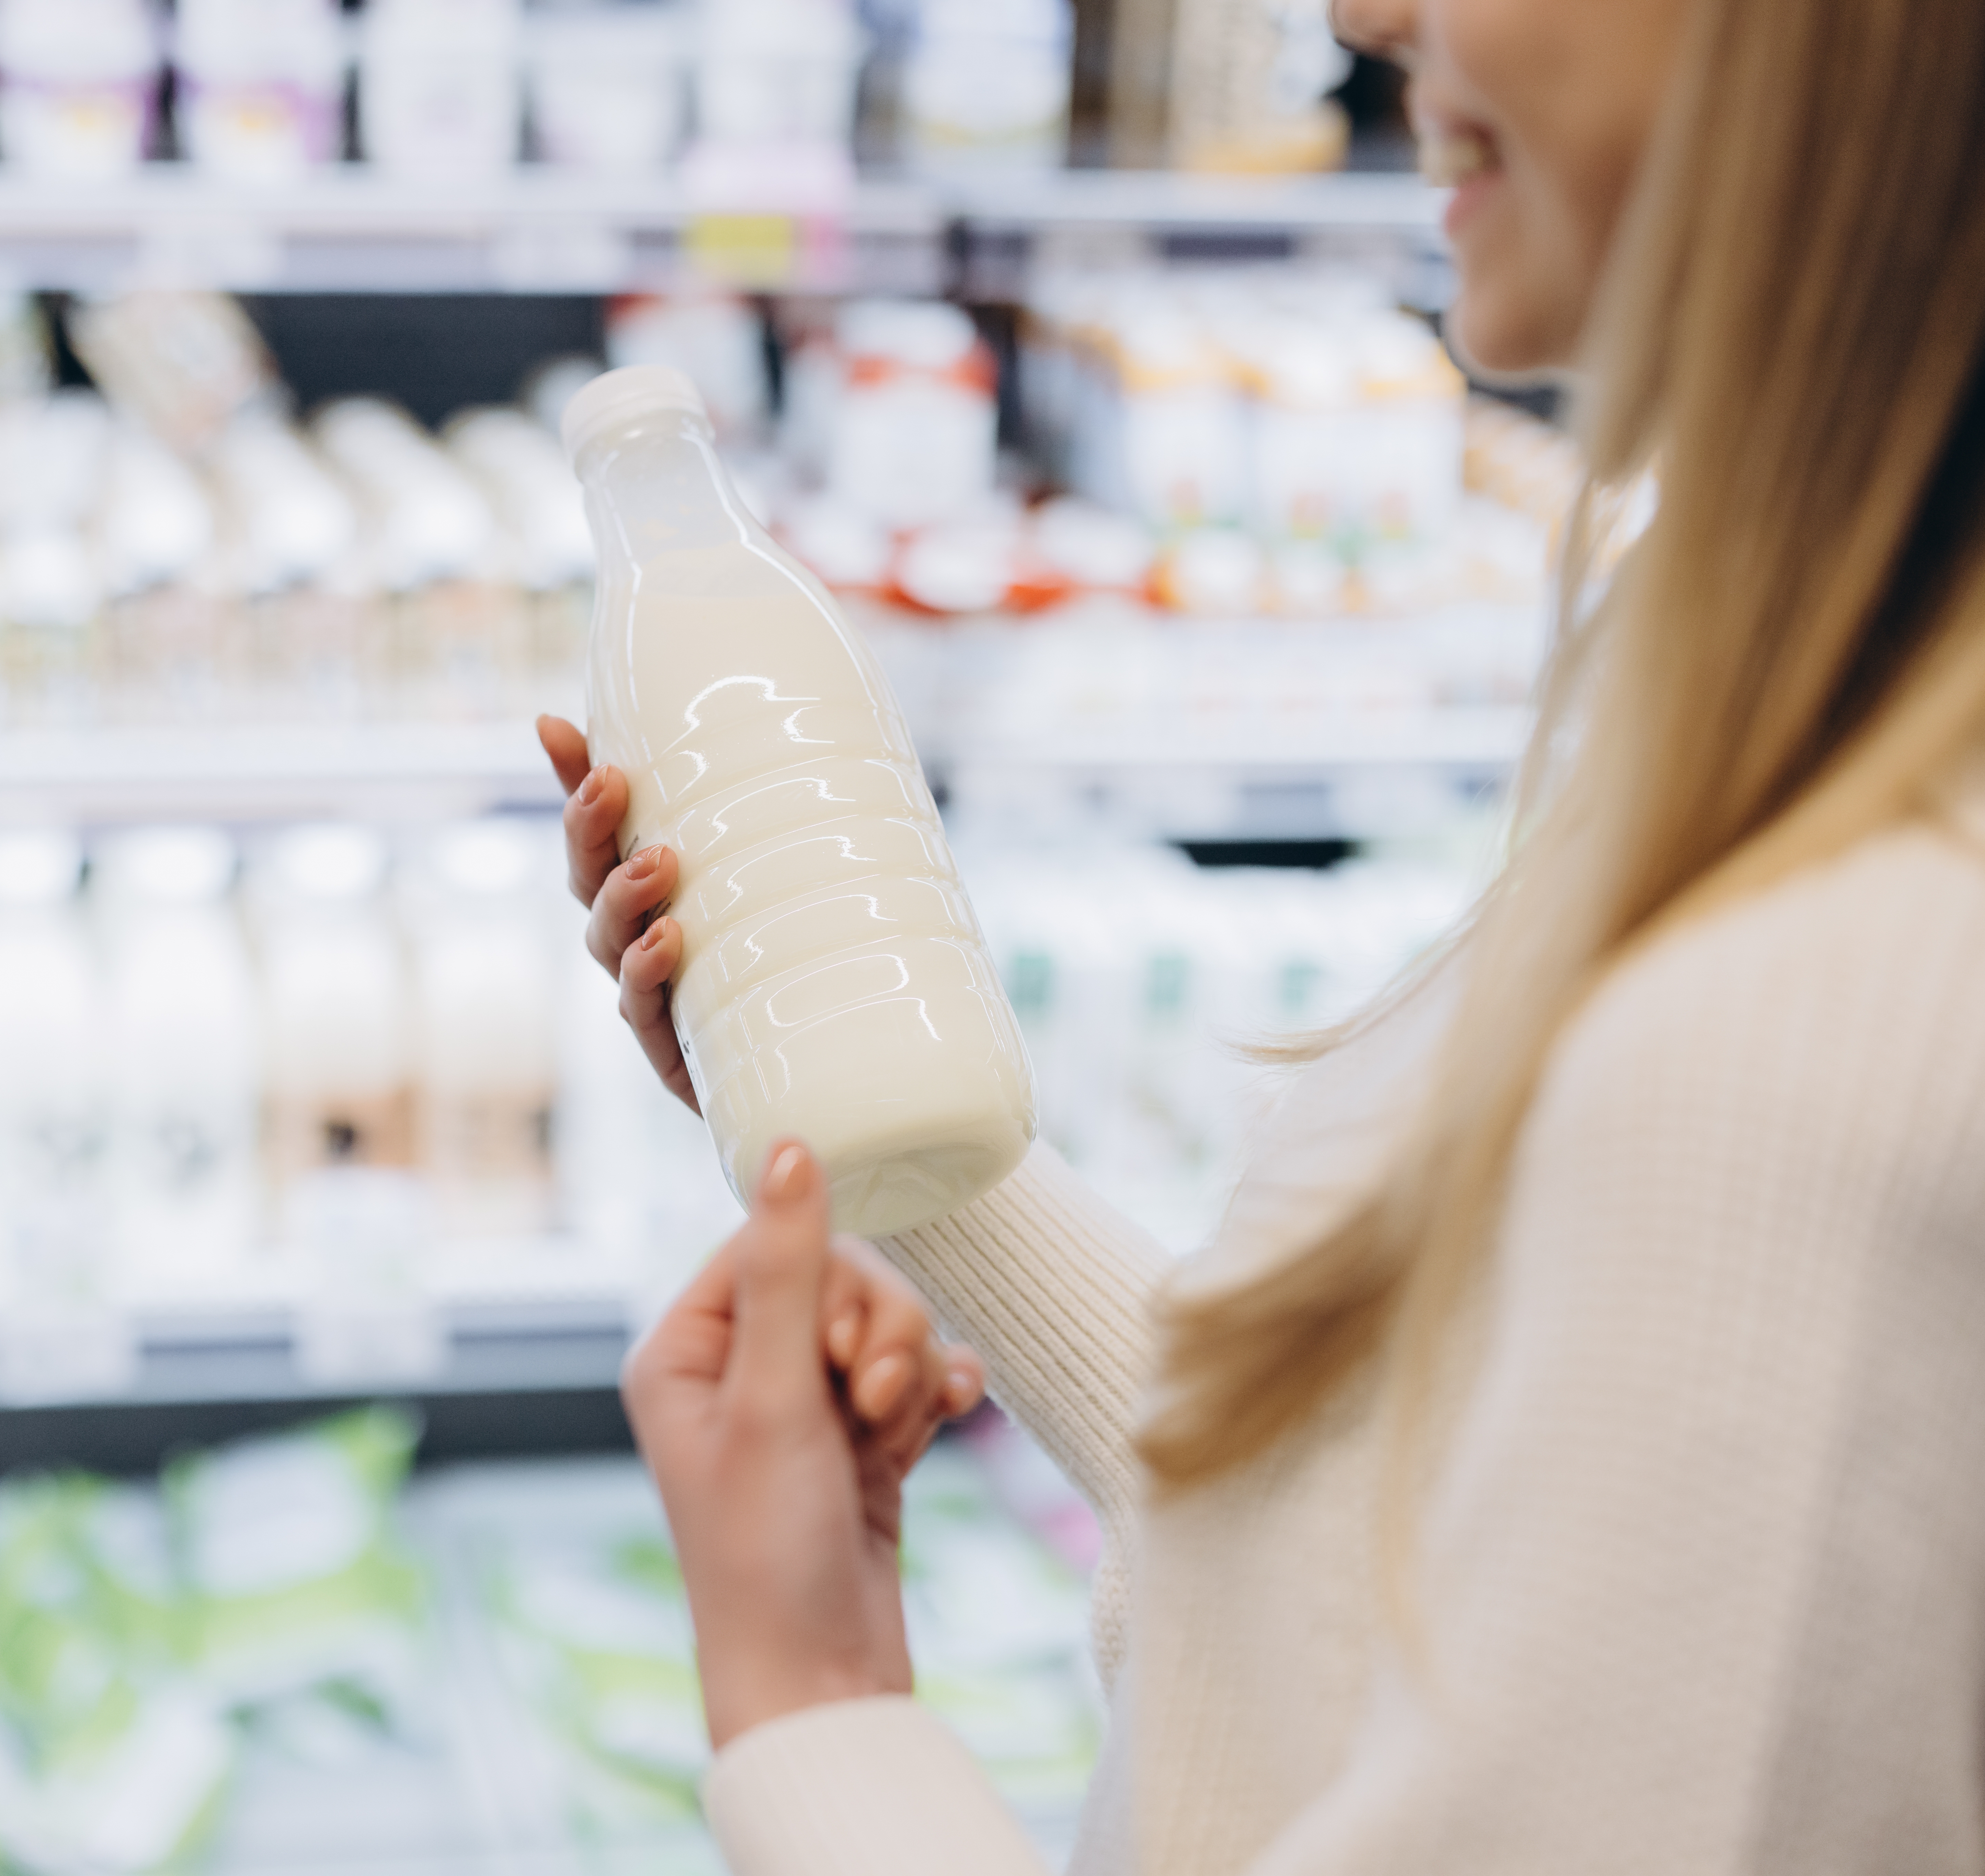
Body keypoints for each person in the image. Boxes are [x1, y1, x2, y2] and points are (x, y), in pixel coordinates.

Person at [534, 0, 1985, 1866]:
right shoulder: (1790, 705)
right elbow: (1412, 1546)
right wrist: (905, 1129)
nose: (1359, 15)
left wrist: (811, 1704)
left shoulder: (1811, 1029)